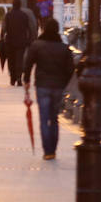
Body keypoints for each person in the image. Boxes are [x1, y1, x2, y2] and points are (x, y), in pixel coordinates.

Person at [23, 17, 74, 159]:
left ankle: (47, 151)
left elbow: (28, 63)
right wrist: (63, 83)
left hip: (42, 86)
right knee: (54, 118)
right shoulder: (64, 48)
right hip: (58, 87)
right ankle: (53, 149)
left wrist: (26, 80)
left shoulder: (37, 45)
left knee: (44, 119)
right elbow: (70, 70)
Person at [0, 0, 37, 86]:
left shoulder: (8, 15)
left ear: (12, 5)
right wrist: (31, 39)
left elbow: (4, 28)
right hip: (21, 41)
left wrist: (1, 37)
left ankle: (12, 78)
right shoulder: (24, 15)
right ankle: (19, 78)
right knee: (19, 59)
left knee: (11, 60)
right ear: (20, 5)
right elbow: (30, 28)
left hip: (10, 41)